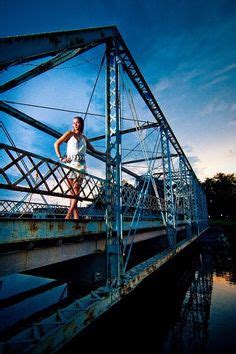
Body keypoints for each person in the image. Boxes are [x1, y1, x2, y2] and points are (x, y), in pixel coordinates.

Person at [54, 116, 105, 219]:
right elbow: (56, 144)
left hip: (81, 165)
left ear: (81, 124)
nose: (75, 124)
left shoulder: (84, 138)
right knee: (72, 193)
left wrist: (104, 153)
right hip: (69, 165)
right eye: (73, 123)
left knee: (76, 189)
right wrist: (60, 158)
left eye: (77, 123)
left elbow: (93, 151)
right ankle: (76, 217)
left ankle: (68, 215)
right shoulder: (69, 134)